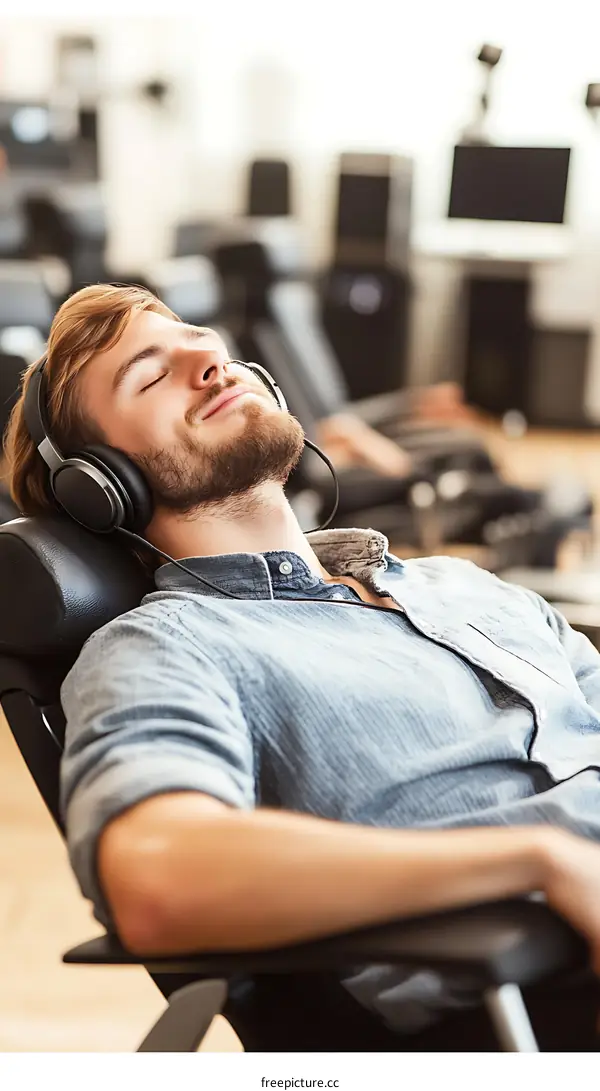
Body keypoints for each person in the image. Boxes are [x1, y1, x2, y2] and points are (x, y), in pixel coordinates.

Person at [5, 283, 600, 1051]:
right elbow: (154, 876)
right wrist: (543, 858)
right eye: (149, 376)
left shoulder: (461, 586)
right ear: (100, 488)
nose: (209, 360)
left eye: (202, 341)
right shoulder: (170, 647)